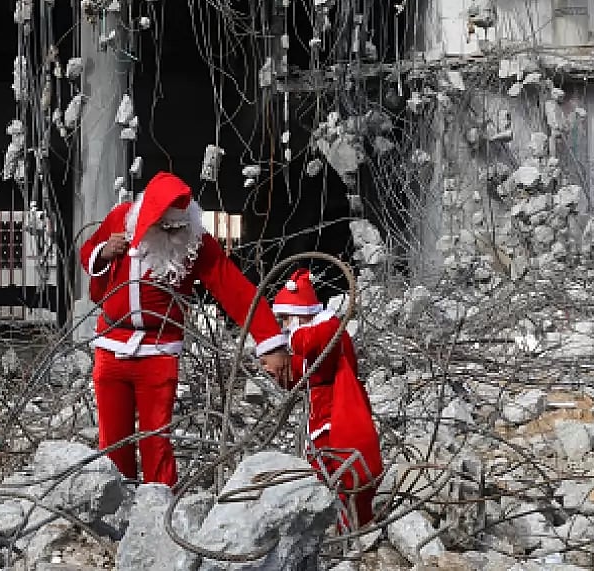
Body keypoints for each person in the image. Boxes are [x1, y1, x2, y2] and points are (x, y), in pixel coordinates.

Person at [79, 171, 293, 486]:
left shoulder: (195, 241)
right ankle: (116, 503)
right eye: (164, 226)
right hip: (112, 346)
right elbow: (88, 256)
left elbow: (235, 289)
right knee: (113, 439)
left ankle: (159, 504)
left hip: (159, 351)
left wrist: (271, 343)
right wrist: (103, 252)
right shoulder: (121, 219)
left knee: (156, 439)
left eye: (177, 226)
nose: (171, 233)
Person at [270, 268, 383, 529]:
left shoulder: (328, 328)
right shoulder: (319, 332)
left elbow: (310, 344)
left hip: (336, 409)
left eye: (287, 319)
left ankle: (346, 523)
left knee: (339, 463)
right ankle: (331, 521)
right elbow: (306, 371)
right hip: (321, 410)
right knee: (322, 464)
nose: (285, 327)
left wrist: (292, 335)